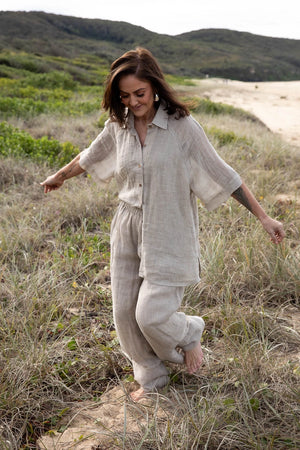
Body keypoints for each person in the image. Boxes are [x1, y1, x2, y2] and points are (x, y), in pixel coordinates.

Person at [41, 47, 285, 402]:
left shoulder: (182, 128)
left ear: (155, 86)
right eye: (124, 95)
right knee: (125, 314)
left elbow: (223, 174)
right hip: (126, 225)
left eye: (139, 93)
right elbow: (90, 155)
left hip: (168, 227)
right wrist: (60, 176)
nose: (133, 102)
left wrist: (264, 216)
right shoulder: (118, 125)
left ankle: (189, 332)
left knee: (151, 314)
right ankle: (153, 377)